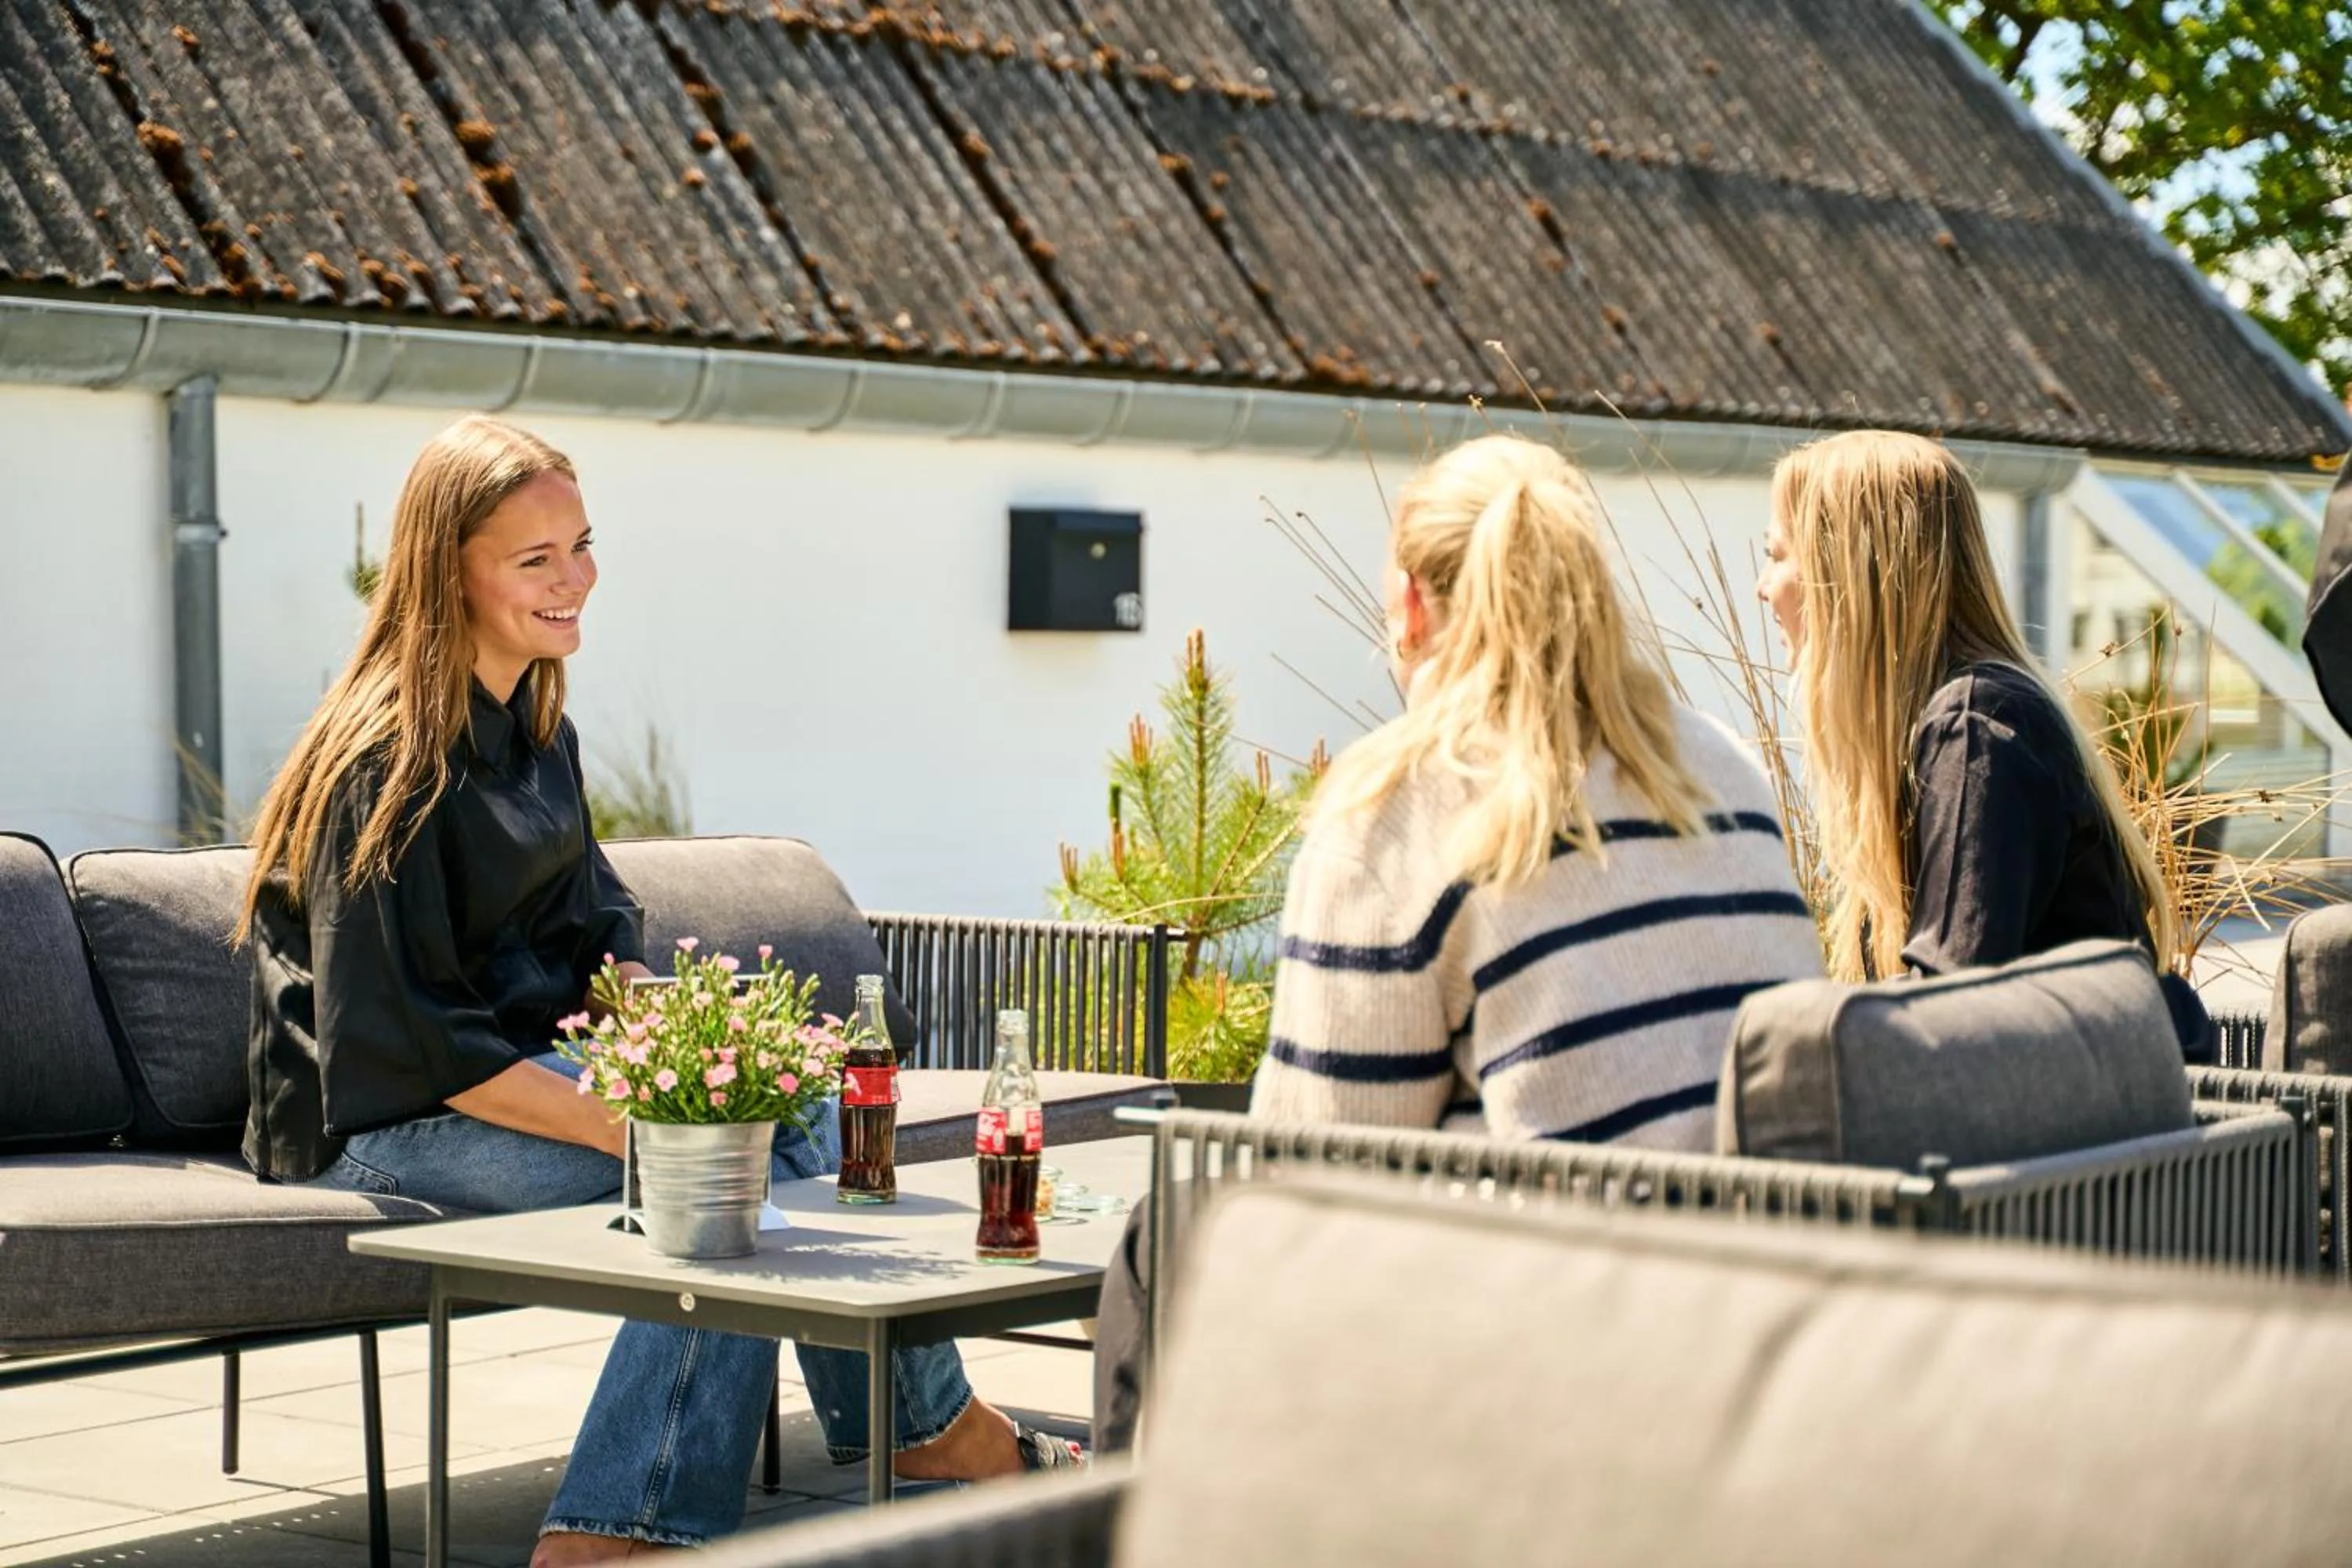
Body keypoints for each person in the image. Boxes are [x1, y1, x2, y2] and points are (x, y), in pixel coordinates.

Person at [237, 416, 1073, 1566]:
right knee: (709, 1177)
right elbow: (405, 1040)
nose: (575, 578)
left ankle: (913, 1424)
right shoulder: (381, 762)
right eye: (537, 559)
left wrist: (670, 1039)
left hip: (508, 1082)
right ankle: (625, 1530)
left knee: (808, 1117)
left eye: (582, 544)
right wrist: (644, 1122)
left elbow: (594, 925)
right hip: (382, 1121)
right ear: (449, 575)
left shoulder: (537, 730)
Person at [1092, 432, 1826, 1450]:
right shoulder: (1718, 768)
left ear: (1408, 606)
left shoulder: (1402, 804)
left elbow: (1305, 1179)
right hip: (1760, 1313)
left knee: (1165, 1239)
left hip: (1560, 1352)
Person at [1756, 430, 2200, 1033]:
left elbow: (1948, 1012)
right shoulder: (1964, 720)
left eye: (1778, 555)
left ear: (1851, 572)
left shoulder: (1975, 728)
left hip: (2083, 1121)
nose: (1764, 587)